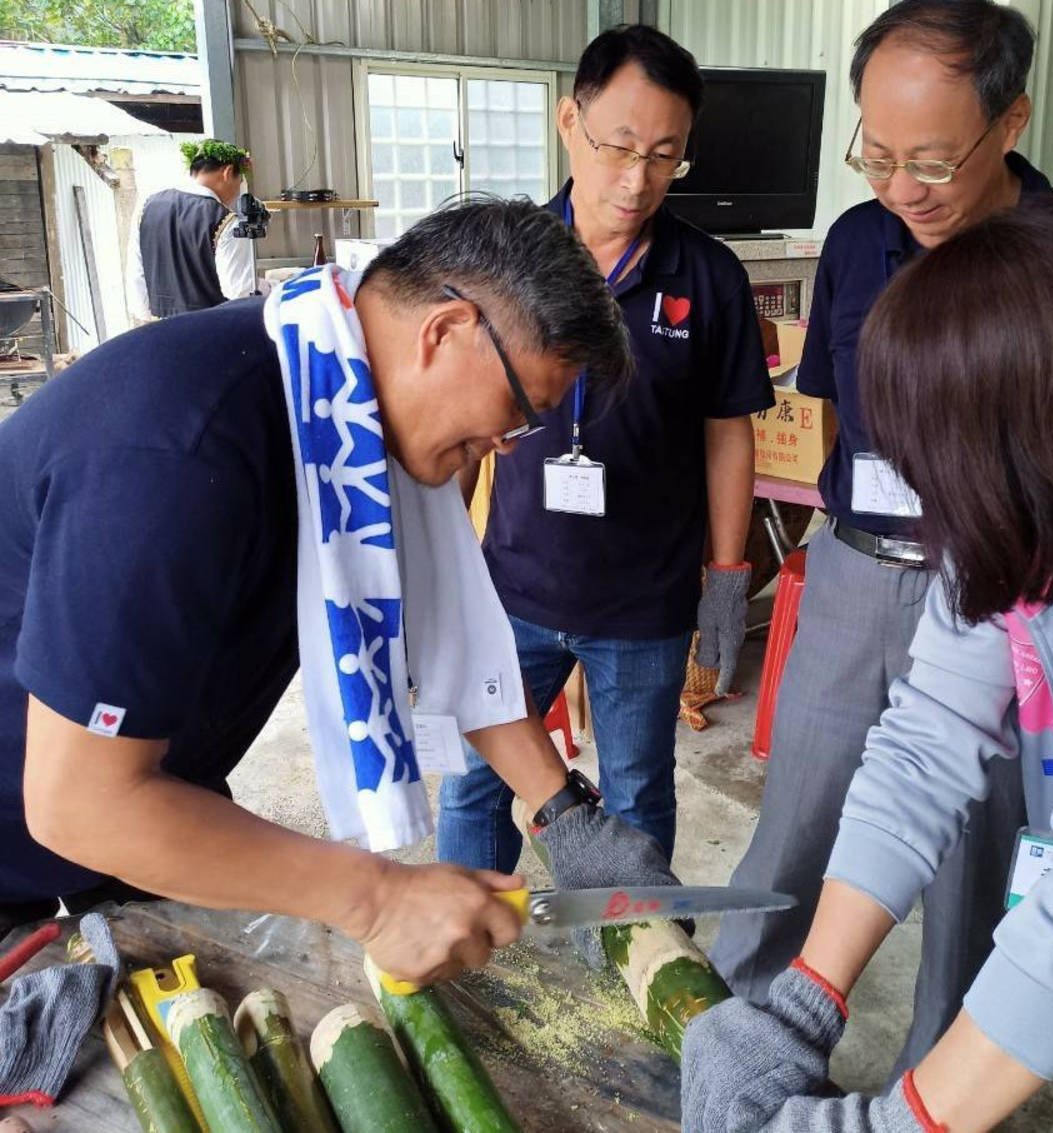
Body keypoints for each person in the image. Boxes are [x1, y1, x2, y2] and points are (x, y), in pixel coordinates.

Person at [0, 198, 677, 987]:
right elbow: (78, 802)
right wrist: (376, 899)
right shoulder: (177, 453)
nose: (507, 444)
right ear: (446, 330)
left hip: (143, 816)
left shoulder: (346, 402)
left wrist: (567, 820)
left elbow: (452, 635)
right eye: (523, 411)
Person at [683, 197, 1053, 1132]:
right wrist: (809, 995)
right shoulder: (1030, 527)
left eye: (949, 466)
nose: (936, 504)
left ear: (1051, 438)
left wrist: (897, 1122)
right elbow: (927, 739)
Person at [710, 0, 1053, 1073]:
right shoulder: (861, 241)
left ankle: (947, 1061)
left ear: (1011, 124)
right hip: (867, 567)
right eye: (876, 154)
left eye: (933, 162)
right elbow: (823, 403)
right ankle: (751, 1021)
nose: (900, 187)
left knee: (981, 852)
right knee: (815, 806)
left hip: (1011, 582)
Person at [437, 25, 774, 876]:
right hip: (509, 588)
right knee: (477, 784)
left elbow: (727, 429)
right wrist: (439, 556)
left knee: (636, 791)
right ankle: (472, 958)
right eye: (619, 145)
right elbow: (460, 416)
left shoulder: (709, 277)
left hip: (644, 607)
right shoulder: (503, 260)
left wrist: (728, 579)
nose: (637, 178)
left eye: (666, 155)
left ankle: (630, 970)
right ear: (568, 122)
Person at [125, 138, 256, 322]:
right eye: (240, 180)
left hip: (161, 330)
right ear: (227, 172)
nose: (238, 190)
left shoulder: (148, 205)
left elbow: (136, 277)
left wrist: (149, 319)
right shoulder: (226, 221)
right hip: (208, 332)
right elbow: (240, 291)